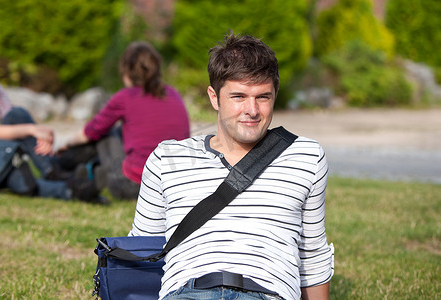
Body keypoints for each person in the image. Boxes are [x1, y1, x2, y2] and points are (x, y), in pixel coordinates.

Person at [129, 32, 334, 300]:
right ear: (214, 98)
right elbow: (142, 252)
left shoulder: (305, 157)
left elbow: (313, 256)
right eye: (238, 96)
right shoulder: (167, 158)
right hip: (188, 293)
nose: (252, 110)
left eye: (263, 97)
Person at [0, 29, 99, 202]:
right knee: (17, 177)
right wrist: (34, 129)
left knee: (17, 115)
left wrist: (35, 134)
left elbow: (12, 118)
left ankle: (54, 172)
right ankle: (71, 187)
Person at [57, 41, 190, 200]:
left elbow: (90, 132)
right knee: (123, 130)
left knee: (107, 133)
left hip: (132, 186)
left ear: (126, 71)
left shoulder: (126, 97)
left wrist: (66, 144)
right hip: (172, 185)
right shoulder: (173, 94)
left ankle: (66, 166)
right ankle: (90, 170)